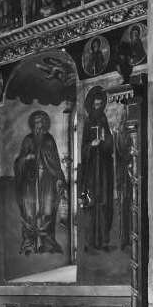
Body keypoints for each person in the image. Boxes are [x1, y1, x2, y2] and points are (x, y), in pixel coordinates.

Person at [14, 110, 66, 255]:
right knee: (29, 213)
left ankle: (47, 243)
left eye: (41, 122)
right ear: (33, 124)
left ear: (45, 124)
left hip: (47, 180)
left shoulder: (49, 139)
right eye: (36, 122)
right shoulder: (28, 139)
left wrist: (59, 177)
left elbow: (55, 161)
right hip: (30, 181)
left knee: (47, 211)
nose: (39, 125)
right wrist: (27, 158)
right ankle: (29, 243)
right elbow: (19, 161)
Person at [78, 87, 114, 251]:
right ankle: (90, 242)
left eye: (100, 105)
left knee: (104, 203)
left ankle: (103, 241)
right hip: (91, 171)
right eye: (95, 105)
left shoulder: (104, 120)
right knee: (91, 204)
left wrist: (106, 141)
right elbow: (83, 148)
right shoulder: (87, 122)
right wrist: (91, 145)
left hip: (104, 170)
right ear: (91, 105)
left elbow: (109, 146)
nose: (98, 107)